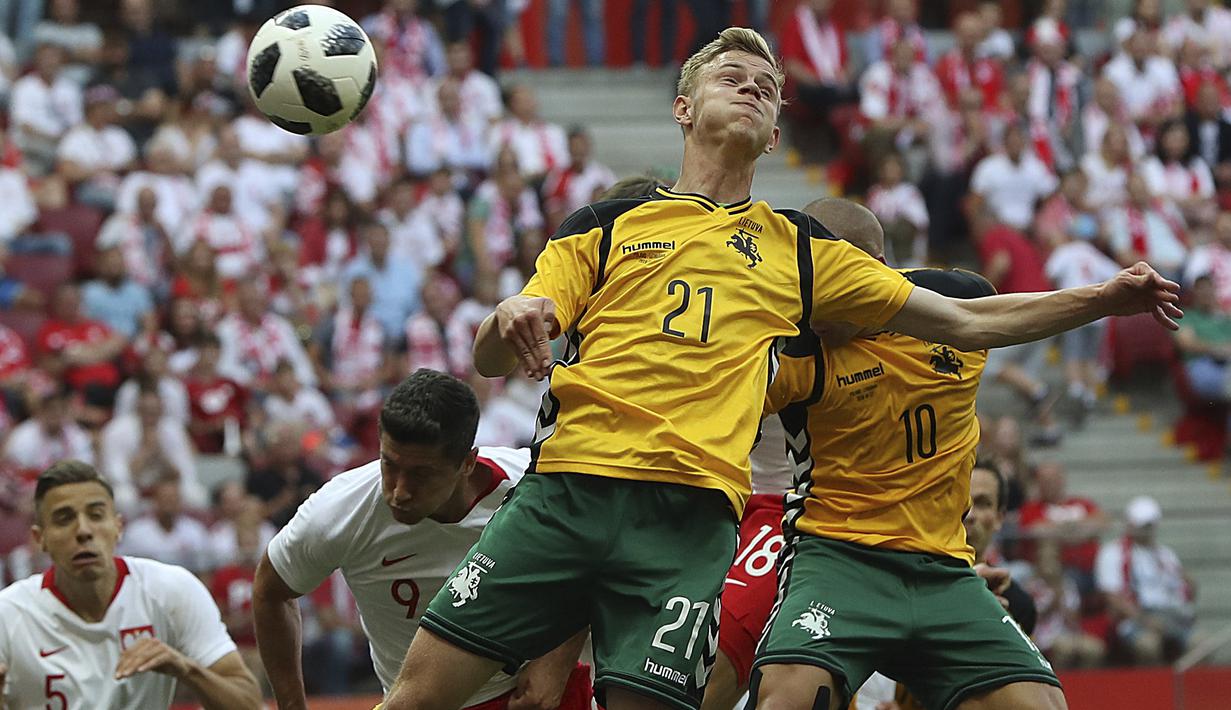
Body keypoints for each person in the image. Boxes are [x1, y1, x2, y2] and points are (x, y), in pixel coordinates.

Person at [387, 28, 1179, 710]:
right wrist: (508, 318)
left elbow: (967, 318)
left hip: (690, 524)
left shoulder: (799, 250)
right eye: (731, 78)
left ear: (773, 137)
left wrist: (1103, 297)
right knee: (419, 694)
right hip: (567, 493)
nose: (753, 89)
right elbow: (496, 347)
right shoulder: (607, 220)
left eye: (767, 88)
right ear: (683, 108)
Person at [748, 200, 1056, 710]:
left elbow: (1001, 315)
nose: (823, 302)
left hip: (936, 564)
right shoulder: (786, 339)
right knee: (784, 692)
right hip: (809, 540)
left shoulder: (951, 307)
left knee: (1034, 691)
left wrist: (1109, 297)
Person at [253, 370, 592, 709]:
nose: (399, 491)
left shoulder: (529, 486)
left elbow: (597, 550)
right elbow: (270, 591)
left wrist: (557, 659)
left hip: (533, 698)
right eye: (390, 464)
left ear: (467, 463)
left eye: (420, 474)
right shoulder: (340, 511)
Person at [0, 460, 262, 709]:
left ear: (118, 527)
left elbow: (249, 704)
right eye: (64, 519)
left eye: (96, 515)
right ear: (40, 538)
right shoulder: (9, 614)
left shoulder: (171, 590)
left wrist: (184, 668)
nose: (83, 531)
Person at [1095, 496, 1196, 664]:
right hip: (1134, 619)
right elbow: (1112, 597)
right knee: (1148, 645)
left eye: (1149, 526)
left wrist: (1190, 585)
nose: (1146, 531)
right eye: (1142, 526)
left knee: (1200, 644)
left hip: (1168, 615)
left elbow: (1186, 592)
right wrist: (1146, 621)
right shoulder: (1113, 553)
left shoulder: (1165, 555)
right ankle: (1154, 688)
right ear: (1130, 524)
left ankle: (1186, 686)